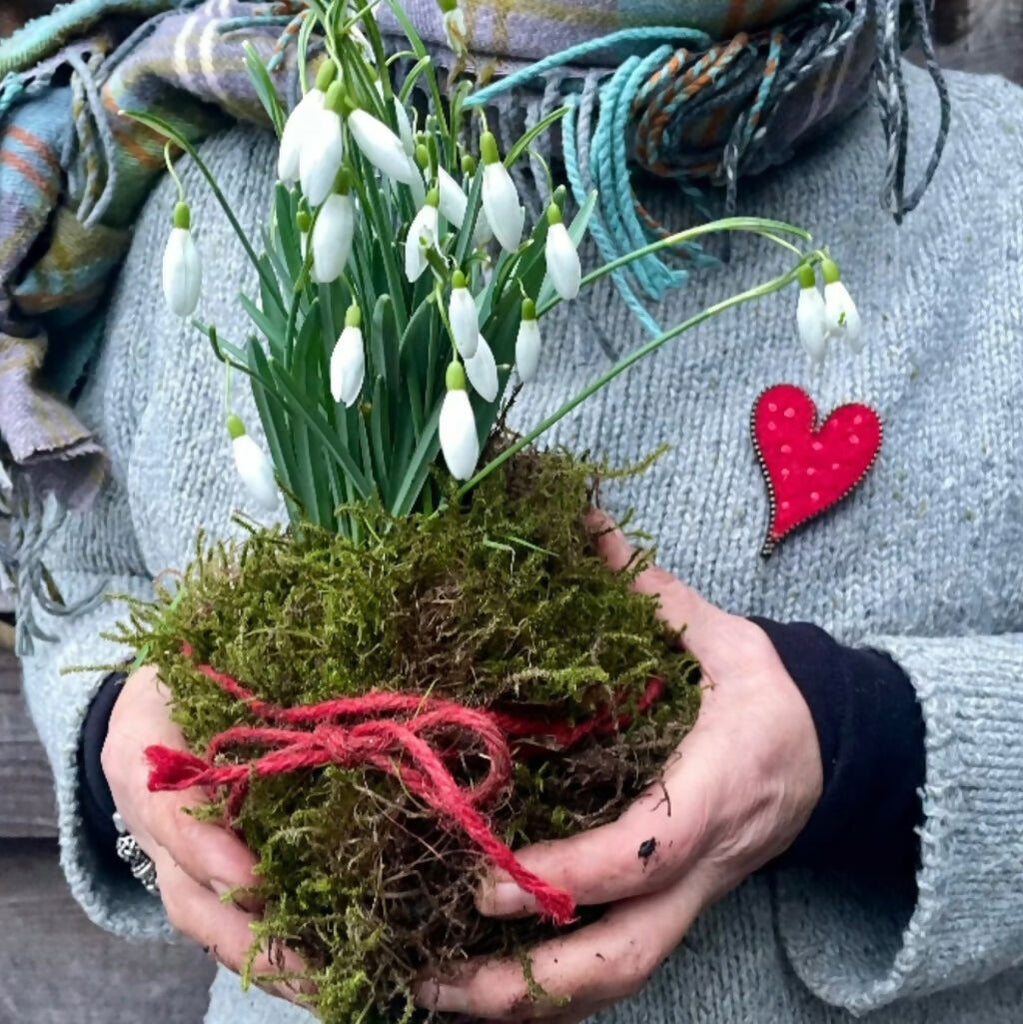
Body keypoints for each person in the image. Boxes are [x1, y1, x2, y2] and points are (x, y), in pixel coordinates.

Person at [7, 1, 1023, 1022]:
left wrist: (858, 747)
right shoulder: (205, 166)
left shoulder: (990, 193)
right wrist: (126, 791)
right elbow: (80, 583)